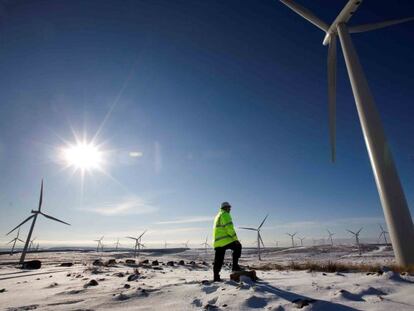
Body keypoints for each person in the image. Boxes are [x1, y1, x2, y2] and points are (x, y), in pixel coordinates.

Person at [212, 201, 242, 282]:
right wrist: (236, 239)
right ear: (225, 208)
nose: (230, 209)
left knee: (218, 260)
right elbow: (229, 228)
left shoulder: (217, 216)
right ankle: (235, 266)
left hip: (217, 242)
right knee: (238, 246)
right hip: (225, 240)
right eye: (229, 207)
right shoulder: (225, 214)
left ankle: (216, 277)